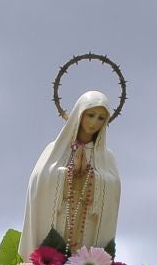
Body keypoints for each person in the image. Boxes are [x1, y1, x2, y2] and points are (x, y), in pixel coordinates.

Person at [22, 89, 121, 255]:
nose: (94, 122)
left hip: (87, 221)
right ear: (79, 114)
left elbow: (114, 188)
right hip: (59, 217)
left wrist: (94, 177)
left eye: (101, 118)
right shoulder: (56, 149)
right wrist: (67, 173)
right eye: (90, 115)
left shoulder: (106, 157)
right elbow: (38, 182)